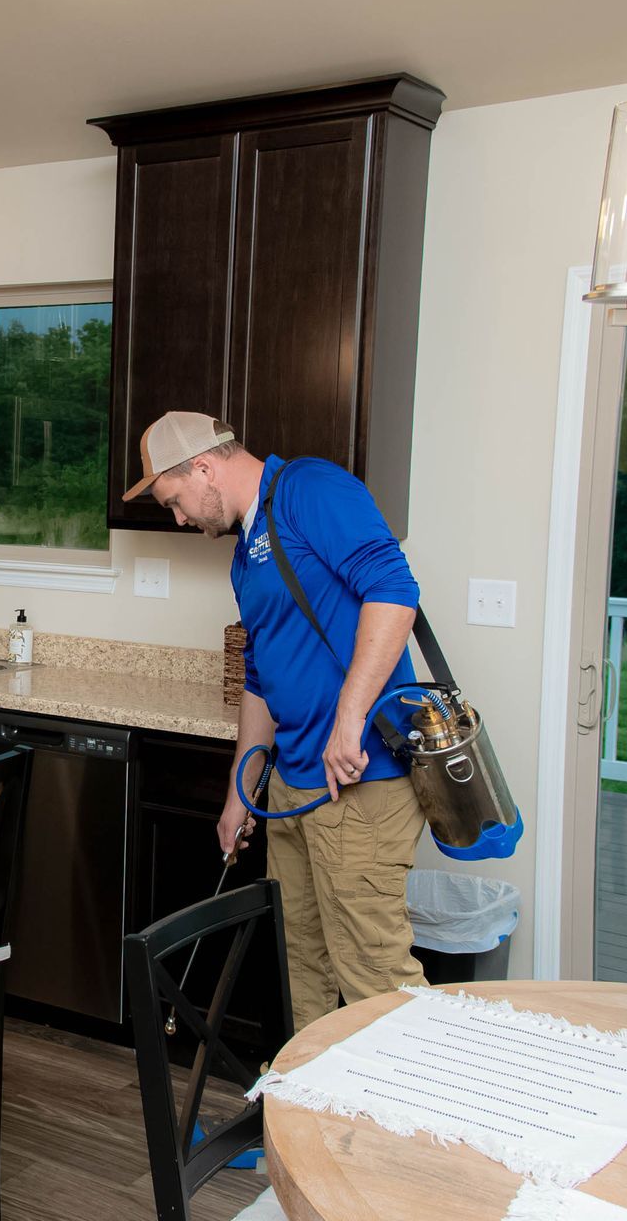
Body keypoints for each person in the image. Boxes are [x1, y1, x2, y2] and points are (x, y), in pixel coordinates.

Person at [126, 411, 428, 1028]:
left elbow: (395, 593)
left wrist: (350, 721)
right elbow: (260, 680)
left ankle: (414, 1123)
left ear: (203, 467)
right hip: (294, 785)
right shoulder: (245, 553)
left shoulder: (309, 489)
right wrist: (240, 790)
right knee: (302, 966)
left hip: (358, 779)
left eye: (175, 501)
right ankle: (306, 1117)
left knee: (374, 978)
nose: (179, 519)